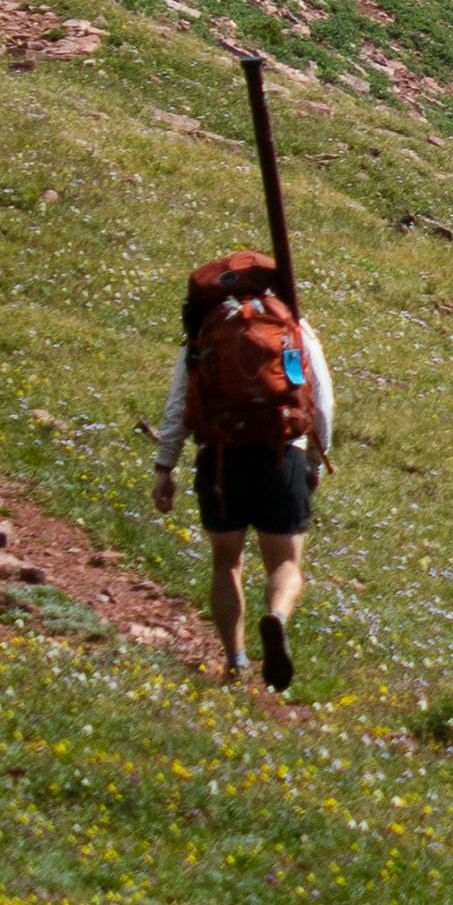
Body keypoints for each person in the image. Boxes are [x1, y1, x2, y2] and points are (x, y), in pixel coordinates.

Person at [150, 246, 344, 692]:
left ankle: (236, 661)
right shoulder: (294, 328)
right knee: (286, 562)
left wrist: (165, 466)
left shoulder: (206, 330)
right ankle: (275, 616)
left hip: (222, 458)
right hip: (282, 453)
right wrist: (314, 461)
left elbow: (180, 402)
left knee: (226, 562)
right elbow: (322, 400)